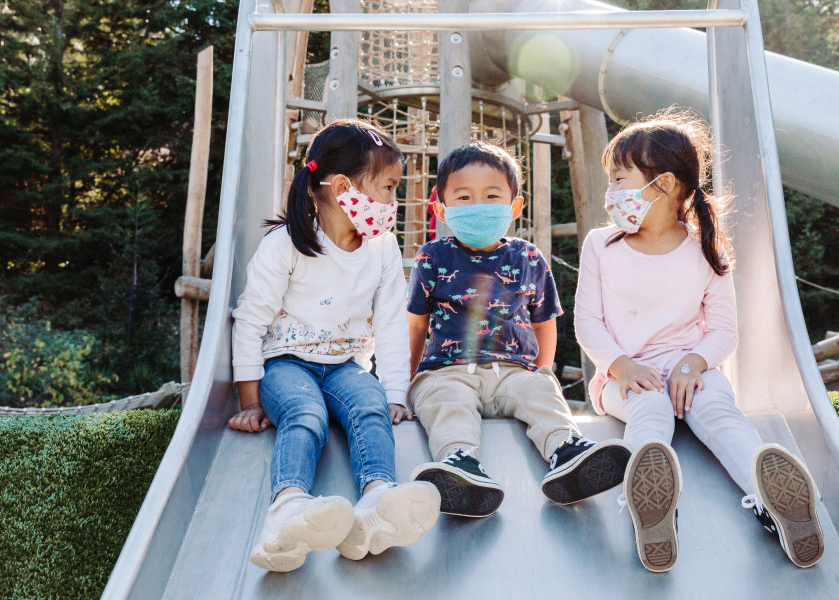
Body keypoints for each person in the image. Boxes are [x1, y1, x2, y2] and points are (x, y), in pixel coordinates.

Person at [575, 109, 824, 572]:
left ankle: (771, 496)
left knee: (717, 410)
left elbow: (724, 329)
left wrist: (693, 364)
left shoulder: (706, 247)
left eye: (619, 179)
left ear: (664, 185)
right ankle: (649, 503)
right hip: (624, 374)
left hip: (692, 369)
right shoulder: (600, 245)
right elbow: (587, 322)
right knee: (647, 410)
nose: (612, 194)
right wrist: (621, 366)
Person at [228, 119, 440, 572]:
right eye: (387, 187)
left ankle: (377, 502)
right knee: (306, 414)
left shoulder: (381, 248)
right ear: (343, 186)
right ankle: (288, 507)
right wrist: (250, 400)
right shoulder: (285, 245)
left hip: (345, 363)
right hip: (285, 364)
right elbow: (249, 322)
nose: (393, 201)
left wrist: (395, 394)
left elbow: (388, 323)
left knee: (370, 408)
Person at [406, 142, 630, 519]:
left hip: (513, 371)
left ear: (515, 206)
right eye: (464, 197)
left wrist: (541, 371)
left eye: (492, 196)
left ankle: (567, 451)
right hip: (449, 370)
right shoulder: (433, 256)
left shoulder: (526, 257)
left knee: (541, 394)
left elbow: (544, 321)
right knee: (447, 404)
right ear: (441, 210)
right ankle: (460, 464)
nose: (479, 205)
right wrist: (409, 381)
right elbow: (416, 325)